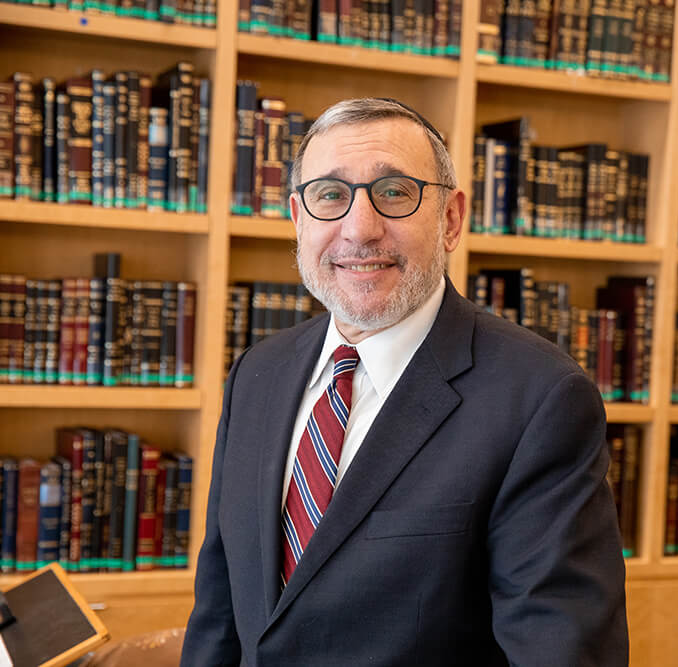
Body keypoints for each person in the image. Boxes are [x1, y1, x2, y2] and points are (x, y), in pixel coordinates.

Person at [181, 97, 628, 666]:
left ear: (450, 219)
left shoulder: (540, 399)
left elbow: (560, 653)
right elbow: (219, 615)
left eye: (394, 192)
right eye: (329, 195)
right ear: (298, 218)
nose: (359, 230)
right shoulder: (256, 374)